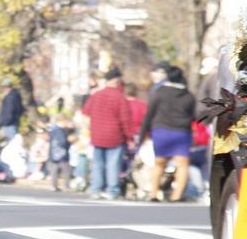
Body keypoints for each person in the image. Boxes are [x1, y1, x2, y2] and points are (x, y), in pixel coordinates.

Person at [138, 65, 196, 202]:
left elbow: (149, 114)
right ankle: (177, 195)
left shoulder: (159, 92)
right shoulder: (189, 95)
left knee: (159, 163)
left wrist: (142, 134)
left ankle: (154, 193)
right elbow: (194, 116)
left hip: (161, 131)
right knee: (182, 165)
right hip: (182, 132)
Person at [81, 67, 135, 200]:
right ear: (117, 81)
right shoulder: (120, 98)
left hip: (97, 135)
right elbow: (125, 120)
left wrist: (90, 130)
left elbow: (85, 114)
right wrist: (130, 137)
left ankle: (96, 189)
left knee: (98, 163)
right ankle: (112, 190)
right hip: (115, 136)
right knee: (113, 164)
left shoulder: (96, 95)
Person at [48, 114, 74, 191]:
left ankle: (54, 185)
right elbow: (61, 142)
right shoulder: (60, 131)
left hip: (53, 155)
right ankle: (66, 185)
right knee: (66, 170)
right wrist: (69, 141)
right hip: (61, 154)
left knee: (54, 171)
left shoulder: (53, 130)